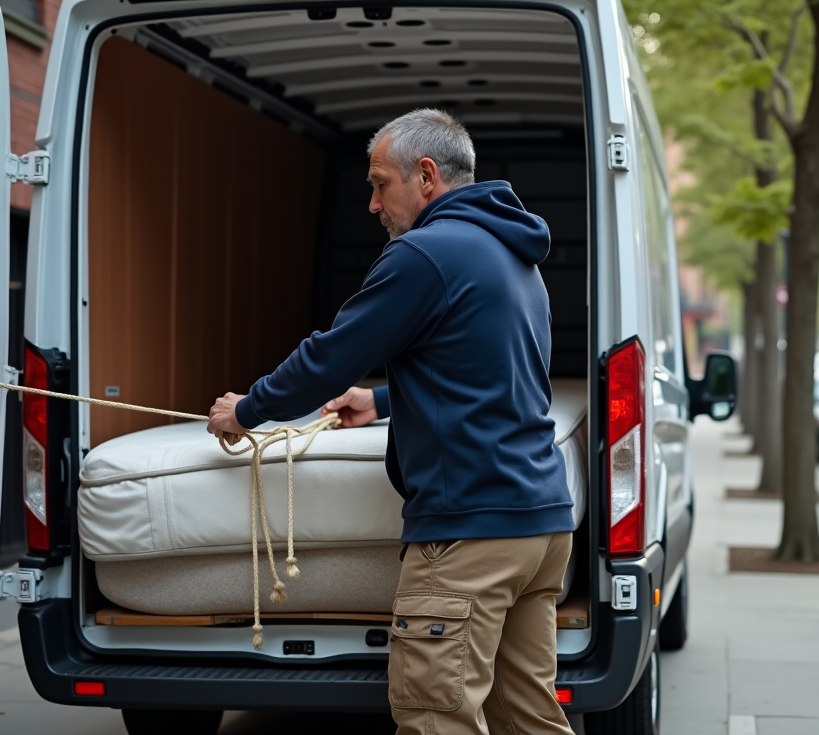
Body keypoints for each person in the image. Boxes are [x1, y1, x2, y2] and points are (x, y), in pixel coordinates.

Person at [206, 108, 574, 734]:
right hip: (538, 527)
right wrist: (379, 402)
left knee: (435, 719)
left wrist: (246, 410)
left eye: (380, 184)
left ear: (426, 176)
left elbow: (329, 357)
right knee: (528, 720)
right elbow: (496, 378)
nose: (373, 204)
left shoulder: (424, 253)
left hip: (469, 533)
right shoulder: (514, 254)